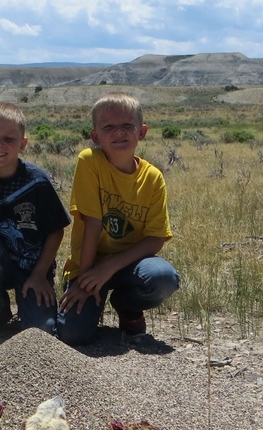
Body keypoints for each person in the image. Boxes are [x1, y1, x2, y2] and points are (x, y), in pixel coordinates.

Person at [58, 93, 180, 345]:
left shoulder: (153, 177)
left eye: (127, 126)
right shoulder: (90, 161)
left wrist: (110, 267)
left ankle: (126, 305)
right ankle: (92, 299)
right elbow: (93, 222)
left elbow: (156, 238)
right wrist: (85, 279)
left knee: (164, 279)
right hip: (89, 264)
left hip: (129, 264)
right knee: (74, 336)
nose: (119, 133)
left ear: (141, 131)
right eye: (109, 127)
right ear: (95, 136)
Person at [0, 102, 70, 334]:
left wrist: (40, 274)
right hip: (0, 264)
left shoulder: (37, 180)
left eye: (9, 139)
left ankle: (31, 305)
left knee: (41, 331)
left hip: (34, 269)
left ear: (22, 144)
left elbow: (56, 230)